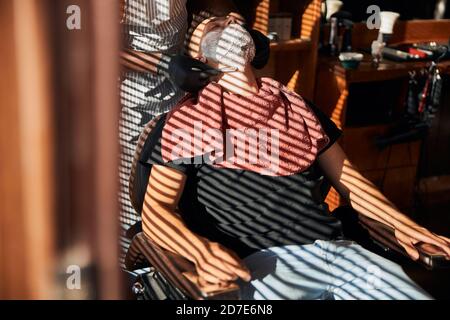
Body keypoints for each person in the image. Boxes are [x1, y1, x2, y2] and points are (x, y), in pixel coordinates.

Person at [132, 15, 450, 299]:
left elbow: (351, 181)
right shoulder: (188, 120)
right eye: (215, 26)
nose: (230, 22)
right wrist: (201, 253)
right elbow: (157, 210)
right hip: (260, 266)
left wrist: (406, 226)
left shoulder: (299, 108)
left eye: (234, 22)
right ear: (201, 60)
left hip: (342, 255)